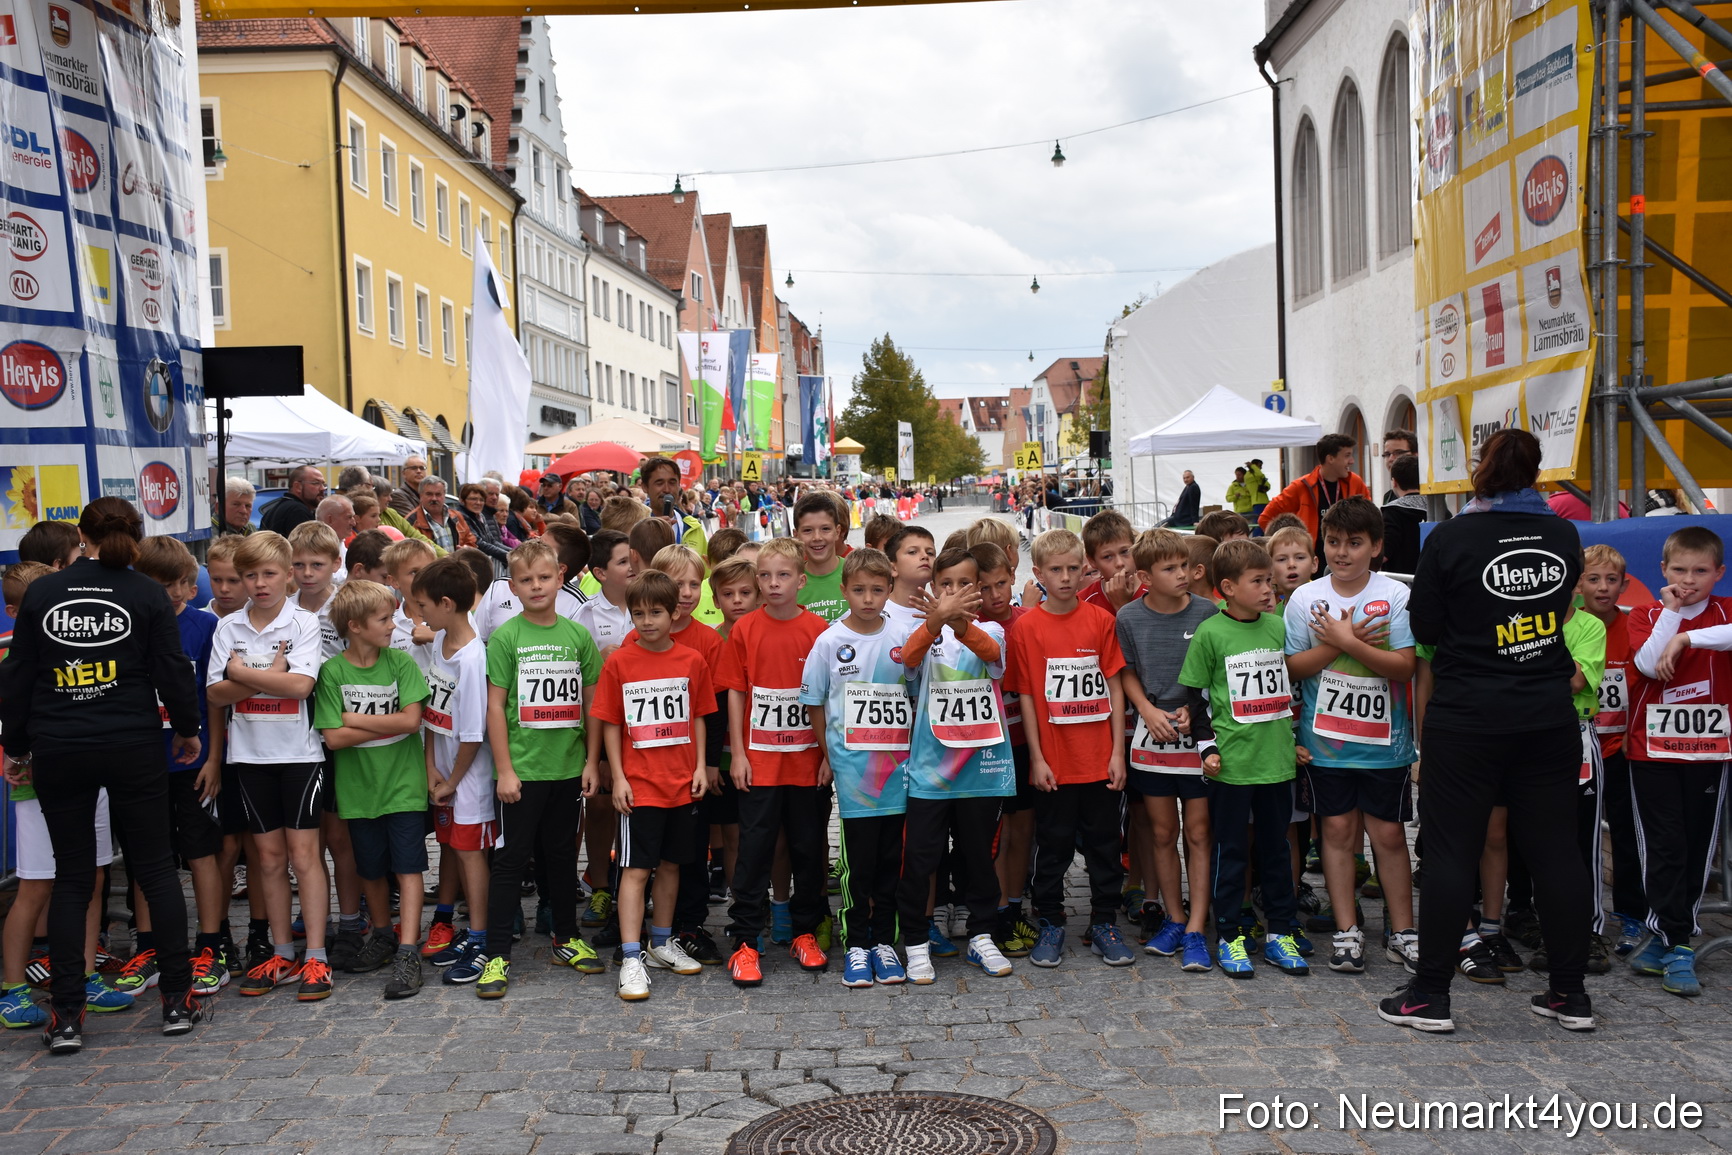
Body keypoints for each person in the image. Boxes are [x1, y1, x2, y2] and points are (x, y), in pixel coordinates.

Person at [1385, 428, 1589, 1034]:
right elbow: (1563, 610)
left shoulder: (1450, 536)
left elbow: (1425, 624)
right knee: (1557, 851)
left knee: (1451, 850)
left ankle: (1429, 996)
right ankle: (1569, 994)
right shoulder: (1561, 531)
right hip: (1546, 711)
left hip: (1470, 712)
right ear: (1535, 472)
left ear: (1481, 470)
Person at [0, 498, 210, 1051]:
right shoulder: (145, 592)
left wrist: (17, 745)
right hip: (131, 743)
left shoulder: (44, 591)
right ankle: (176, 1002)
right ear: (135, 537)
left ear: (82, 535)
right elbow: (171, 671)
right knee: (157, 870)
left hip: (60, 746)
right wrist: (189, 729)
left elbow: (17, 676)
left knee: (72, 878)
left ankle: (66, 1015)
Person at [0, 560, 140, 1039]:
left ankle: (82, 978)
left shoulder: (82, 646)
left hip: (90, 776)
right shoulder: (13, 655)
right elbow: (12, 719)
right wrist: (14, 754)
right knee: (37, 887)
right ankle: (14, 986)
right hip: (40, 786)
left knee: (92, 880)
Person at [1283, 498, 1418, 975]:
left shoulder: (1395, 596)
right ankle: (1347, 929)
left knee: (1387, 833)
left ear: (1377, 547)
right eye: (1334, 542)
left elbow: (1404, 667)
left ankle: (1402, 931)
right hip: (1326, 745)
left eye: (1355, 544)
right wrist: (1336, 643)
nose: (1342, 553)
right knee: (1337, 833)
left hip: (1386, 746)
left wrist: (1349, 642)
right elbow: (1292, 667)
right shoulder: (1305, 599)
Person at [476, 539, 605, 999]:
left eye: (544, 578)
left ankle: (565, 938)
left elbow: (592, 704)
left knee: (561, 857)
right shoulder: (507, 637)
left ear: (560, 579)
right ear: (513, 586)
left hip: (568, 770)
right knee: (510, 860)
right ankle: (495, 954)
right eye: (526, 580)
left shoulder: (577, 636)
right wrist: (505, 770)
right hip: (523, 772)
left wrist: (592, 761)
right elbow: (494, 708)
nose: (536, 586)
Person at [207, 531, 333, 1003]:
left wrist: (241, 674)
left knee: (304, 857)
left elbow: (301, 688)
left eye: (269, 574)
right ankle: (281, 952)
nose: (260, 584)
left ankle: (316, 955)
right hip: (250, 757)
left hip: (300, 757)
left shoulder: (303, 623)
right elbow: (214, 695)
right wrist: (267, 678)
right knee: (268, 860)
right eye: (250, 575)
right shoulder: (228, 628)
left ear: (286, 575)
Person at [1178, 539, 1309, 979]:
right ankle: (1230, 934)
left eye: (1269, 580)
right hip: (1232, 767)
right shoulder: (1210, 634)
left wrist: (1291, 740)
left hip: (1276, 764)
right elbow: (1194, 700)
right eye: (1258, 581)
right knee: (1231, 853)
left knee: (1276, 852)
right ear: (1228, 588)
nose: (1268, 588)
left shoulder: (1276, 627)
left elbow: (1283, 694)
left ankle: (1280, 933)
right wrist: (1207, 748)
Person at [1005, 528, 1132, 968]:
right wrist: (1037, 759)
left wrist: (1117, 752)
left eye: (1072, 569)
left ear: (1085, 570)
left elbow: (1115, 687)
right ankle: (1053, 921)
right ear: (1037, 574)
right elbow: (1025, 696)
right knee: (1053, 845)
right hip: (1054, 764)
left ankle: (1104, 921)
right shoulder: (1027, 628)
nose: (1064, 577)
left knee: (1105, 845)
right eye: (1054, 570)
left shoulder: (1101, 621)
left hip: (1098, 759)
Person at [586, 571, 714, 1000]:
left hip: (681, 784)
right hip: (639, 787)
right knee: (635, 869)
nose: (646, 621)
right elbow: (609, 722)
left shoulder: (692, 661)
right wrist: (617, 775)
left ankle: (661, 942)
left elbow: (698, 717)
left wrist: (700, 766)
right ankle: (630, 955)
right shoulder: (620, 662)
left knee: (673, 865)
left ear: (674, 611)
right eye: (637, 613)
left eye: (655, 612)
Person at [897, 548, 1017, 984]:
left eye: (964, 585)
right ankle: (915, 941)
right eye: (945, 585)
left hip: (980, 768)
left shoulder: (992, 629)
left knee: (979, 857)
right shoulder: (921, 631)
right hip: (930, 770)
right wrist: (935, 621)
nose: (953, 594)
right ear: (932, 589)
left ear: (978, 590)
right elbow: (909, 659)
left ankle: (982, 934)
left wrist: (956, 620)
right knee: (921, 856)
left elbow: (989, 652)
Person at [717, 538, 831, 986]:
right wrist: (739, 754)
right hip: (760, 765)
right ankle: (746, 939)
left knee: (807, 849)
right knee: (753, 852)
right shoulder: (745, 629)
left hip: (806, 764)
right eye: (764, 576)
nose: (772, 584)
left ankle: (805, 931)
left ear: (801, 581)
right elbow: (736, 691)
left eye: (782, 575)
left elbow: (826, 699)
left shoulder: (819, 630)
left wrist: (826, 754)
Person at [313, 580, 431, 999]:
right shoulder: (332, 672)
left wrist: (351, 718)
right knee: (371, 871)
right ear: (355, 626)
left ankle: (407, 949)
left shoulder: (400, 664)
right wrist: (368, 723)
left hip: (403, 787)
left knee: (408, 867)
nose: (392, 625)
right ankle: (382, 934)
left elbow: (410, 722)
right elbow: (332, 738)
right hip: (358, 790)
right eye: (383, 619)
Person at [801, 548, 913, 987]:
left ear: (889, 589)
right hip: (853, 776)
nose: (868, 599)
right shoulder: (829, 642)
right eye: (859, 590)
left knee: (892, 862)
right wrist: (828, 756)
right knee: (858, 865)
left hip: (898, 771)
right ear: (844, 590)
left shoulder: (903, 634)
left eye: (878, 590)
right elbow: (814, 703)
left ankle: (885, 941)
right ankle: (856, 945)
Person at [1628, 526, 1732, 998]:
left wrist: (1689, 641)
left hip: (1709, 750)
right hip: (1652, 750)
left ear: (1719, 574)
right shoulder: (1648, 613)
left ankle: (1666, 935)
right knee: (1665, 844)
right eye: (1679, 570)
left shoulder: (1724, 611)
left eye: (1701, 571)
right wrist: (1671, 620)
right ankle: (1680, 943)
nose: (1689, 580)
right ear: (1663, 571)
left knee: (1696, 845)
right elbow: (1649, 665)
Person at [127, 537, 230, 998]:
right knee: (147, 860)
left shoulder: (205, 627)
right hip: (140, 761)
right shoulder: (125, 627)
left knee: (201, 852)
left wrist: (213, 757)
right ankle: (147, 947)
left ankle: (210, 946)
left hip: (193, 762)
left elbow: (214, 699)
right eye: (164, 584)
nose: (176, 593)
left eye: (185, 583)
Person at [1117, 529, 1217, 972]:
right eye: (1169, 568)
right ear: (1145, 576)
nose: (1182, 575)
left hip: (1197, 735)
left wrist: (1192, 712)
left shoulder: (1208, 611)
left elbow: (1216, 674)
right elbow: (1126, 672)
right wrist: (1145, 711)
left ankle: (1197, 924)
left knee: (1198, 832)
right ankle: (1174, 918)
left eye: (1184, 566)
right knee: (1160, 833)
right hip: (1151, 734)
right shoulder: (1129, 618)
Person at [408, 559, 494, 985]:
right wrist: (430, 768)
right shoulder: (440, 638)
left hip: (468, 779)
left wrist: (454, 781)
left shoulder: (474, 658)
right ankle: (470, 929)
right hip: (441, 772)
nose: (418, 615)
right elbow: (431, 711)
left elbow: (474, 734)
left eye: (422, 606)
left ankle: (481, 936)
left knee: (470, 853)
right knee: (453, 849)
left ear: (446, 603)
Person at [1579, 545, 1646, 958]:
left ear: (1624, 584)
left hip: (1623, 748)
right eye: (1594, 579)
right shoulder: (1569, 625)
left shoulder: (1635, 626)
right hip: (1581, 748)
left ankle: (1633, 915)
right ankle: (1583, 917)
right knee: (1579, 836)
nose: (1603, 588)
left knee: (1627, 834)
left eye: (1611, 580)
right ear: (1577, 585)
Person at [1257, 434, 1372, 542]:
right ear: (1330, 459)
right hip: (1313, 559)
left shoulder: (1355, 483)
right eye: (1347, 455)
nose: (1352, 461)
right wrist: (1290, 546)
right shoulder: (1301, 486)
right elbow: (1265, 519)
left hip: (1346, 556)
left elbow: (1371, 518)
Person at [794, 492, 848, 623]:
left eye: (825, 529)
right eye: (808, 530)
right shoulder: (789, 583)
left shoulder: (857, 573)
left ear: (837, 532)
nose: (817, 537)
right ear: (796, 535)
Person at [1079, 510, 1144, 613]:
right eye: (1107, 557)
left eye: (1125, 551)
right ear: (1092, 561)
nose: (1120, 563)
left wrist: (1122, 606)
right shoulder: (1083, 602)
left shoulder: (1157, 591)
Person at [641, 456, 707, 553]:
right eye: (659, 483)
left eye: (672, 483)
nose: (667, 489)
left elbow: (704, 567)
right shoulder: (634, 527)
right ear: (645, 487)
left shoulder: (694, 527)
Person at [1380, 454, 1426, 574]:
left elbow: (1384, 553)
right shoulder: (1438, 509)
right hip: (1431, 580)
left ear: (1394, 482)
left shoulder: (1392, 511)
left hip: (1400, 583)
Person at [406, 478, 475, 555]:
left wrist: (466, 549)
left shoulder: (456, 516)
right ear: (421, 495)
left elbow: (471, 541)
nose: (434, 498)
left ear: (444, 495)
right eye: (429, 494)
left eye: (438, 494)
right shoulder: (411, 521)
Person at [456, 483, 512, 572]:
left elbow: (491, 540)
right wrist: (509, 555)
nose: (478, 503)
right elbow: (479, 543)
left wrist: (514, 552)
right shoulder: (461, 516)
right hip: (470, 566)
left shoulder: (480, 515)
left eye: (481, 500)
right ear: (463, 501)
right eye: (473, 499)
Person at [260, 465, 327, 537]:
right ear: (298, 486)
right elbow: (306, 546)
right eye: (316, 483)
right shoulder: (298, 511)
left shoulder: (271, 511)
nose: (322, 488)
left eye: (323, 484)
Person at [1379, 430, 1418, 504]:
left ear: (1415, 455)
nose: (1391, 459)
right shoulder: (1388, 497)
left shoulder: (1427, 491)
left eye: (1398, 453)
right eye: (1387, 454)